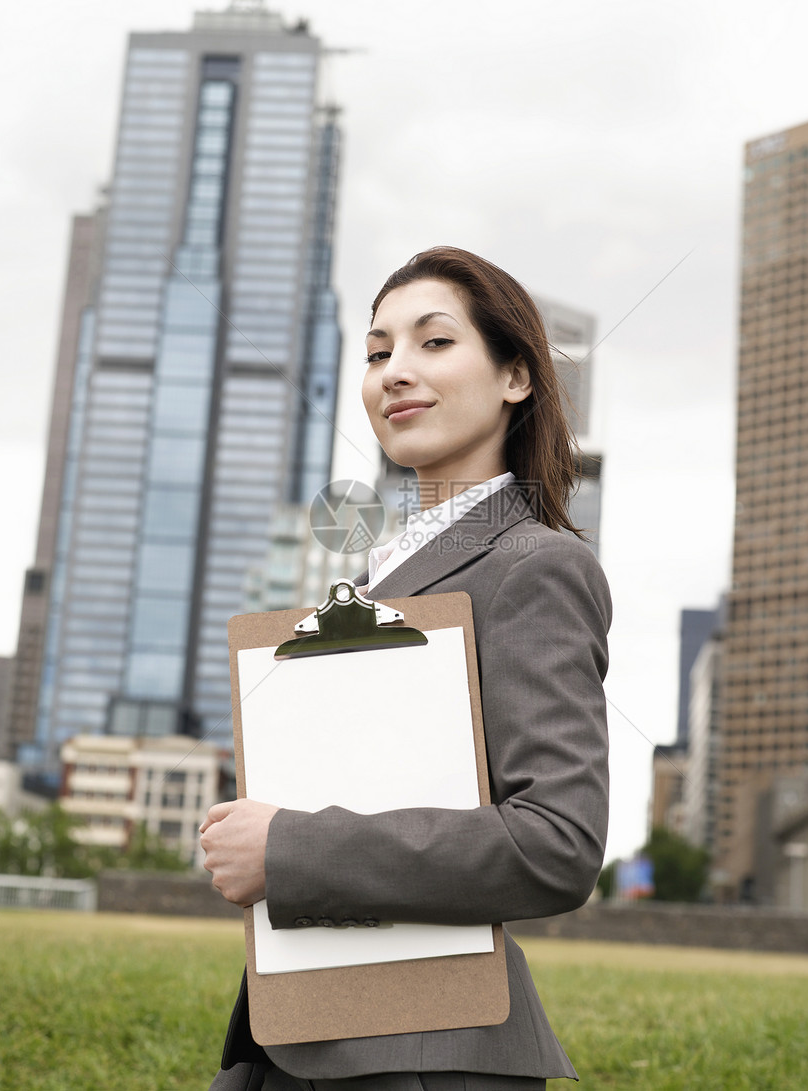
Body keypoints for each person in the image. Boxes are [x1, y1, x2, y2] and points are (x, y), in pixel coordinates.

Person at [201, 246, 611, 1091]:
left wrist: (288, 844)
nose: (395, 371)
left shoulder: (532, 565)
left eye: (433, 343)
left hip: (425, 1055)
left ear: (516, 378)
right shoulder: (379, 572)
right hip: (299, 1031)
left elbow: (557, 842)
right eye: (378, 351)